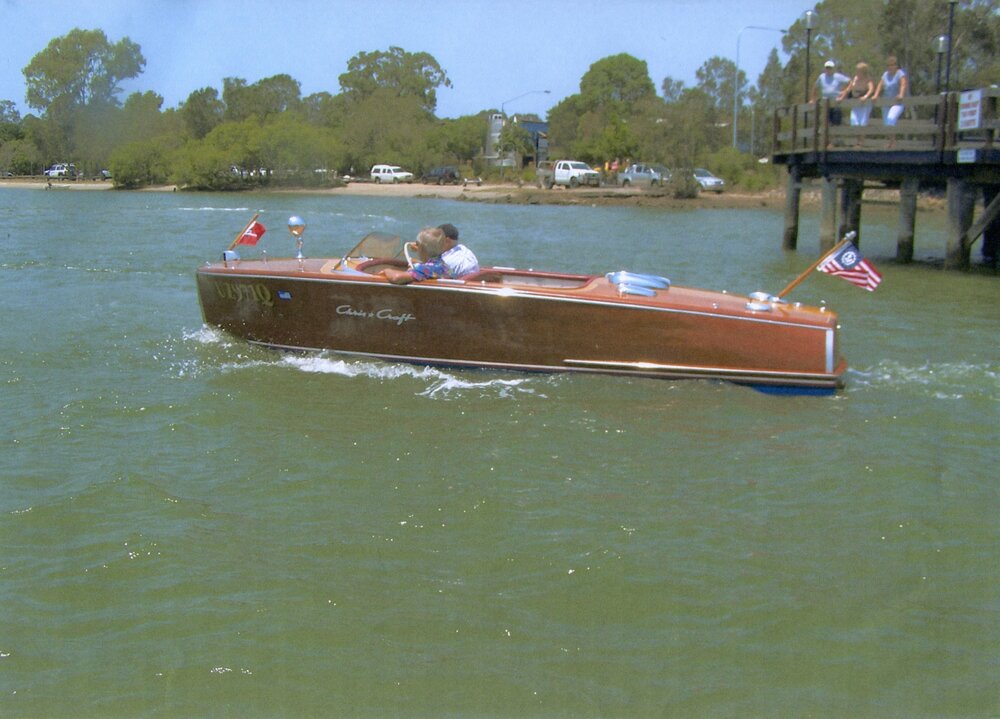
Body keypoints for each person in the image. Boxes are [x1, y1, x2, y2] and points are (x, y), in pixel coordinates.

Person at [380, 224, 479, 284]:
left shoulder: (424, 269)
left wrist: (387, 270)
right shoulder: (443, 265)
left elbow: (397, 278)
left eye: (418, 245)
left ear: (421, 249)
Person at [838, 62, 875, 136]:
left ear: (863, 72)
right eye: (857, 70)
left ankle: (860, 143)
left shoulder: (868, 79)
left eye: (859, 71)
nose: (857, 72)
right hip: (855, 102)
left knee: (862, 122)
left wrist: (865, 96)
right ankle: (857, 141)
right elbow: (850, 88)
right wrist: (843, 93)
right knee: (854, 121)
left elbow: (871, 89)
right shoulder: (855, 78)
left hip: (864, 103)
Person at [811, 60, 850, 127]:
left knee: (836, 125)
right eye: (827, 68)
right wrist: (813, 99)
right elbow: (815, 87)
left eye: (830, 68)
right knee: (825, 125)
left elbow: (851, 82)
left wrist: (845, 92)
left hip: (836, 103)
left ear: (833, 68)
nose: (828, 69)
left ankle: (835, 136)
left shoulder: (838, 76)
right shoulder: (821, 77)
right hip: (825, 103)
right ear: (825, 68)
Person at [874, 55, 908, 127]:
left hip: (897, 102)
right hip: (886, 102)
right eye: (888, 65)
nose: (890, 67)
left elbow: (903, 84)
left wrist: (901, 94)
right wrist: (876, 95)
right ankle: (891, 139)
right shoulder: (885, 74)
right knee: (886, 124)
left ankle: (892, 138)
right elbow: (880, 85)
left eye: (892, 65)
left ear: (896, 65)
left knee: (891, 119)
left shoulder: (900, 73)